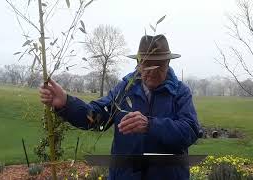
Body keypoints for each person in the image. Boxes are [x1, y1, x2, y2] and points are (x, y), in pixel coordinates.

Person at [39, 34, 201, 180]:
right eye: (147, 64)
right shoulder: (125, 89)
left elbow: (190, 131)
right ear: (138, 64)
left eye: (158, 65)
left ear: (168, 63)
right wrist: (66, 103)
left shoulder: (180, 92)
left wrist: (150, 125)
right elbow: (96, 118)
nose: (152, 71)